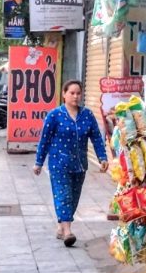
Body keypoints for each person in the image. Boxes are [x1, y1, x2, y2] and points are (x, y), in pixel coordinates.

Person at [33, 79, 106, 246]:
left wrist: (102, 157)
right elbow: (44, 140)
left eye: (78, 93)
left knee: (73, 198)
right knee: (63, 195)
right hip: (59, 164)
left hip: (79, 165)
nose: (75, 96)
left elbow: (96, 138)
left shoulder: (87, 115)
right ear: (64, 94)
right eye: (71, 93)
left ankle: (61, 226)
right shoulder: (54, 115)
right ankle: (67, 231)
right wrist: (39, 162)